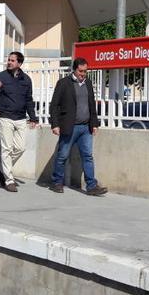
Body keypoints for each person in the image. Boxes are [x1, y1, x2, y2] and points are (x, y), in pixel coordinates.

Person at [49, 58, 108, 196]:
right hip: (70, 126)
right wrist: (55, 124)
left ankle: (92, 186)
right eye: (81, 71)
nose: (83, 74)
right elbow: (54, 105)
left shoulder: (87, 83)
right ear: (74, 70)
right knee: (62, 155)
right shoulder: (63, 83)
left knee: (88, 156)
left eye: (85, 71)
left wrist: (94, 124)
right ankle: (57, 182)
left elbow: (91, 104)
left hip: (85, 128)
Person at [0, 51, 38, 192]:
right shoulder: (1, 77)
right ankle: (9, 180)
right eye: (8, 60)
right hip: (5, 117)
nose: (9, 62)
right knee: (6, 149)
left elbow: (29, 100)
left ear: (19, 63)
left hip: (21, 118)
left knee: (20, 148)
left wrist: (33, 117)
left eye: (12, 60)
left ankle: (2, 167)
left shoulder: (26, 80)